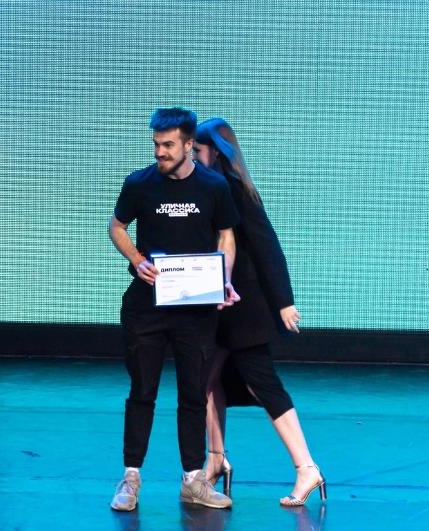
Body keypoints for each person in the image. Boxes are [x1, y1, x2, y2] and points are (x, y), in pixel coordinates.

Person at [108, 108, 241, 511]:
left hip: (195, 308)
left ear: (188, 144)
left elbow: (226, 235)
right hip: (146, 307)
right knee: (142, 391)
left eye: (168, 144)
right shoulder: (140, 183)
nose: (160, 152)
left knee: (192, 394)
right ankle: (131, 478)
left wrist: (224, 280)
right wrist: (136, 259)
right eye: (156, 144)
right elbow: (116, 226)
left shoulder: (214, 186)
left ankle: (193, 480)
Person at [193, 117, 326, 507]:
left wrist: (284, 301)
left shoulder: (235, 189)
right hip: (215, 304)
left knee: (261, 382)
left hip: (245, 308)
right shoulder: (206, 189)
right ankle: (215, 460)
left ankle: (306, 467)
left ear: (216, 152)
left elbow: (267, 244)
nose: (192, 157)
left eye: (198, 150)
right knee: (206, 379)